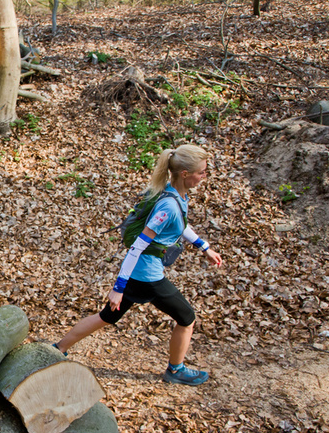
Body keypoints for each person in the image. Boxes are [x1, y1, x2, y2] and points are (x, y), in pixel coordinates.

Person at [53, 145, 223, 386]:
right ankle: (175, 370)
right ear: (185, 173)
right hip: (147, 276)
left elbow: (179, 225)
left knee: (106, 316)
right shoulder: (168, 206)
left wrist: (204, 247)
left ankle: (57, 349)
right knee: (187, 318)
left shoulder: (174, 195)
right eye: (201, 172)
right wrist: (118, 287)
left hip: (140, 273)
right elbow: (137, 246)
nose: (204, 176)